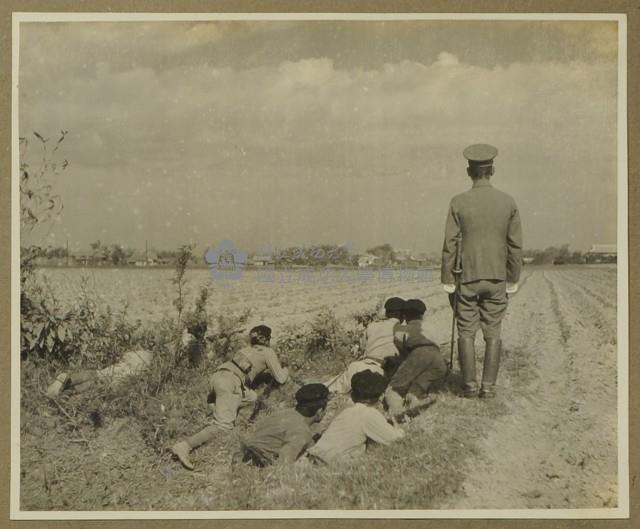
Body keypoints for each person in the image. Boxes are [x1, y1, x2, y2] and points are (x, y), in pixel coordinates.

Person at [441, 144, 523, 398]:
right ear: (492, 170)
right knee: (493, 331)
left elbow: (450, 242)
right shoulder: (508, 202)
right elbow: (515, 245)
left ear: (469, 171)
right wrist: (513, 277)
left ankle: (469, 386)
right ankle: (488, 388)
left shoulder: (458, 202)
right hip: (497, 276)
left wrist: (447, 279)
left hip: (466, 277)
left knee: (466, 330)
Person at [172, 324, 289, 470]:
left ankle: (219, 408)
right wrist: (286, 368)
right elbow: (281, 378)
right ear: (266, 339)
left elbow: (248, 373)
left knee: (252, 396)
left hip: (218, 377)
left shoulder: (243, 350)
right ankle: (185, 446)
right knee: (224, 427)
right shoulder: (267, 352)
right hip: (230, 383)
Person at [307, 370, 404, 464]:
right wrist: (397, 427)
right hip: (326, 464)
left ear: (352, 395)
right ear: (382, 396)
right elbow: (395, 440)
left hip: (311, 458)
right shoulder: (368, 413)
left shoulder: (345, 410)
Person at [233, 383, 329, 467]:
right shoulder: (302, 431)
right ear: (319, 411)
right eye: (325, 410)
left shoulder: (283, 413)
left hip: (241, 456)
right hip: (256, 466)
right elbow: (283, 466)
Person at [324, 297, 405, 394]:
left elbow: (362, 347)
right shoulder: (402, 330)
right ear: (402, 315)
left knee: (328, 389)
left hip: (358, 366)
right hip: (379, 371)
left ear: (387, 312)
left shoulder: (372, 326)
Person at [384, 299, 447, 414]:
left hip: (418, 354)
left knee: (394, 388)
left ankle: (396, 412)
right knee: (419, 384)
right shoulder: (432, 327)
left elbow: (401, 352)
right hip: (438, 358)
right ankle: (413, 401)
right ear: (422, 315)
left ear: (405, 316)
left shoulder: (402, 329)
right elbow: (441, 345)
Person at [45, 349, 153, 397]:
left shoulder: (139, 355)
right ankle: (66, 393)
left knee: (91, 375)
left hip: (104, 372)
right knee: (87, 386)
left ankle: (66, 380)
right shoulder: (145, 366)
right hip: (108, 380)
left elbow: (124, 357)